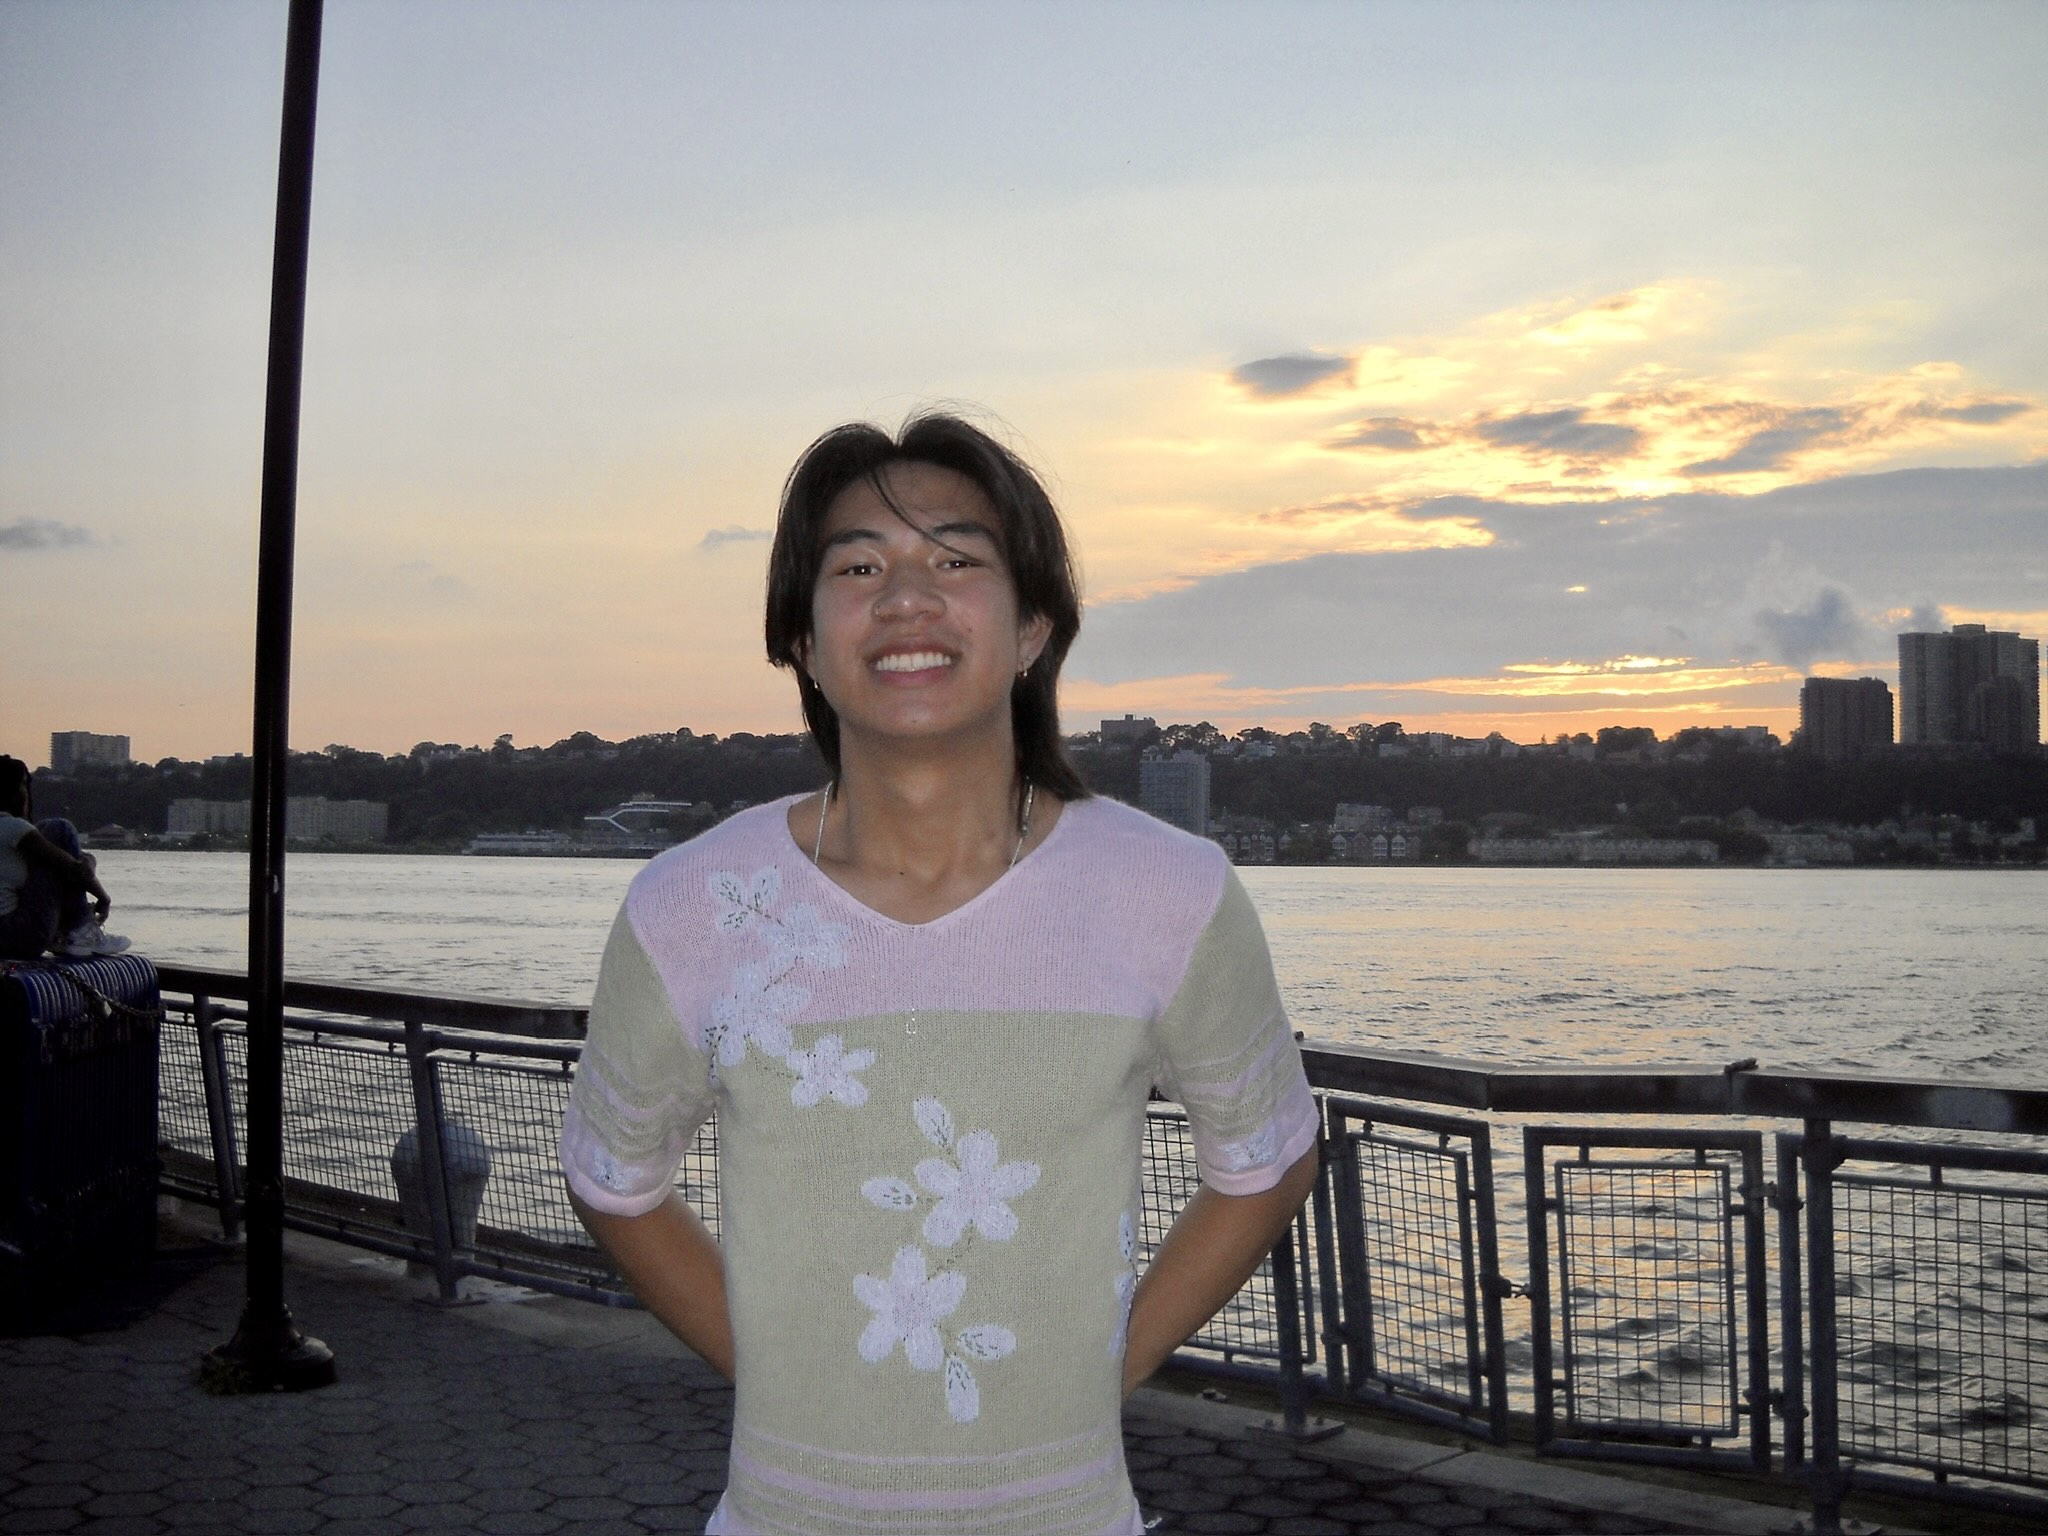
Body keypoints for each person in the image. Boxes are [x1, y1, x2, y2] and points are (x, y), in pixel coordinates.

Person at [559, 413, 1318, 1535]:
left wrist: (1100, 1373)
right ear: (802, 640)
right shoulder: (694, 906)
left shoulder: (1168, 891)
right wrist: (777, 1376)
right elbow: (612, 1175)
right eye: (859, 568)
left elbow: (1269, 1155)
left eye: (957, 562)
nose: (907, 598)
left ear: (1032, 629)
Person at [0, 754, 130, 961]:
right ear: (13, 791)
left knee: (48, 831)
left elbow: (73, 863)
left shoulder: (15, 836)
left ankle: (72, 932)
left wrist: (86, 860)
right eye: (23, 785)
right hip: (18, 936)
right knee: (59, 828)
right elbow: (74, 868)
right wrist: (103, 897)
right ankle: (80, 929)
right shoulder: (13, 828)